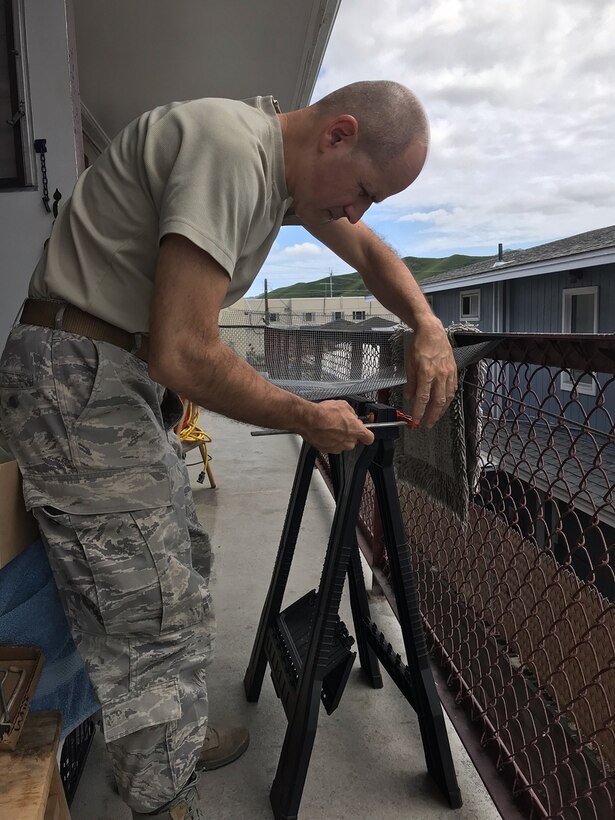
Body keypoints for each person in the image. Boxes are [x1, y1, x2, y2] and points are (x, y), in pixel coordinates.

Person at [0, 80, 457, 819]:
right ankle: (162, 797)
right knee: (148, 603)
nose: (356, 212)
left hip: (110, 377)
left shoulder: (282, 182)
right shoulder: (230, 149)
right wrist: (306, 416)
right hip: (80, 375)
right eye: (365, 191)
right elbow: (184, 351)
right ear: (336, 134)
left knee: (179, 564)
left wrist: (427, 324)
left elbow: (368, 251)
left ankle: (170, 738)